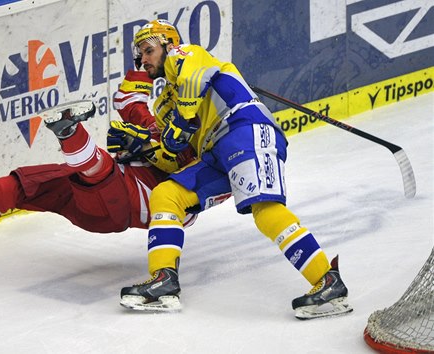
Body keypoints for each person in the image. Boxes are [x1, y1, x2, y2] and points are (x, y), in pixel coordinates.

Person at [118, 19, 352, 320]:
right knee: (167, 194)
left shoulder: (186, 54)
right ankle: (164, 282)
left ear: (168, 44)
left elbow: (191, 83)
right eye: (140, 54)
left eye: (148, 50)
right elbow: (173, 153)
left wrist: (181, 120)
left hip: (244, 129)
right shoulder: (165, 105)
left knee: (265, 209)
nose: (143, 59)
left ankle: (328, 282)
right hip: (215, 153)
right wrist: (142, 149)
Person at [0, 87, 227, 267]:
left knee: (98, 168)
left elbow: (185, 207)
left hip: (126, 204)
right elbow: (126, 97)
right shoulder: (166, 123)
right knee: (3, 189)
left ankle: (70, 131)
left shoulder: (217, 155)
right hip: (92, 189)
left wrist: (144, 145)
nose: (170, 114)